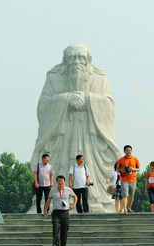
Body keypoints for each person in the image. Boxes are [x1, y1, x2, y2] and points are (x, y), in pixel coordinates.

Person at [30, 43, 122, 213]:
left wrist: (87, 99)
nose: (77, 62)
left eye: (81, 58)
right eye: (73, 58)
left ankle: (93, 201)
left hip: (90, 136)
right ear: (65, 60)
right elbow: (42, 106)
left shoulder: (99, 77)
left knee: (89, 173)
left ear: (89, 60)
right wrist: (66, 100)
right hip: (63, 135)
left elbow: (110, 105)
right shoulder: (53, 76)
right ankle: (57, 200)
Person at [44, 175, 77, 246]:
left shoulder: (68, 190)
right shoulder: (53, 190)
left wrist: (74, 205)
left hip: (65, 212)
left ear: (64, 182)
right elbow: (48, 200)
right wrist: (45, 210)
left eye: (62, 181)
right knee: (56, 229)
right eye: (59, 181)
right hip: (56, 212)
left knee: (65, 229)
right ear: (57, 182)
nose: (60, 182)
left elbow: (75, 197)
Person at [117, 145, 140, 214]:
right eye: (126, 150)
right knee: (125, 195)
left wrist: (133, 169)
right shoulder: (121, 160)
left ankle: (129, 208)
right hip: (124, 179)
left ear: (131, 151)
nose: (128, 152)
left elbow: (138, 169)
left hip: (133, 179)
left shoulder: (135, 159)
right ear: (124, 151)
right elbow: (117, 169)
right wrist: (122, 170)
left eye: (129, 150)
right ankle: (125, 209)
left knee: (131, 196)